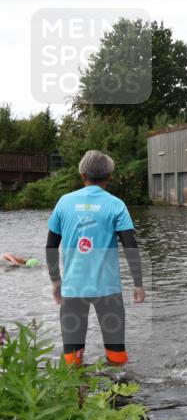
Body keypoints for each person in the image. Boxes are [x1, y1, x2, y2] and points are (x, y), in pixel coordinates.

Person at [46, 150, 145, 366]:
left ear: (82, 174)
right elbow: (130, 246)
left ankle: (77, 396)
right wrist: (138, 284)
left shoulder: (64, 202)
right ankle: (119, 398)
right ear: (109, 176)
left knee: (72, 361)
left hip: (73, 290)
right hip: (108, 290)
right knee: (117, 356)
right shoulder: (116, 205)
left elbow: (51, 246)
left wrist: (55, 281)